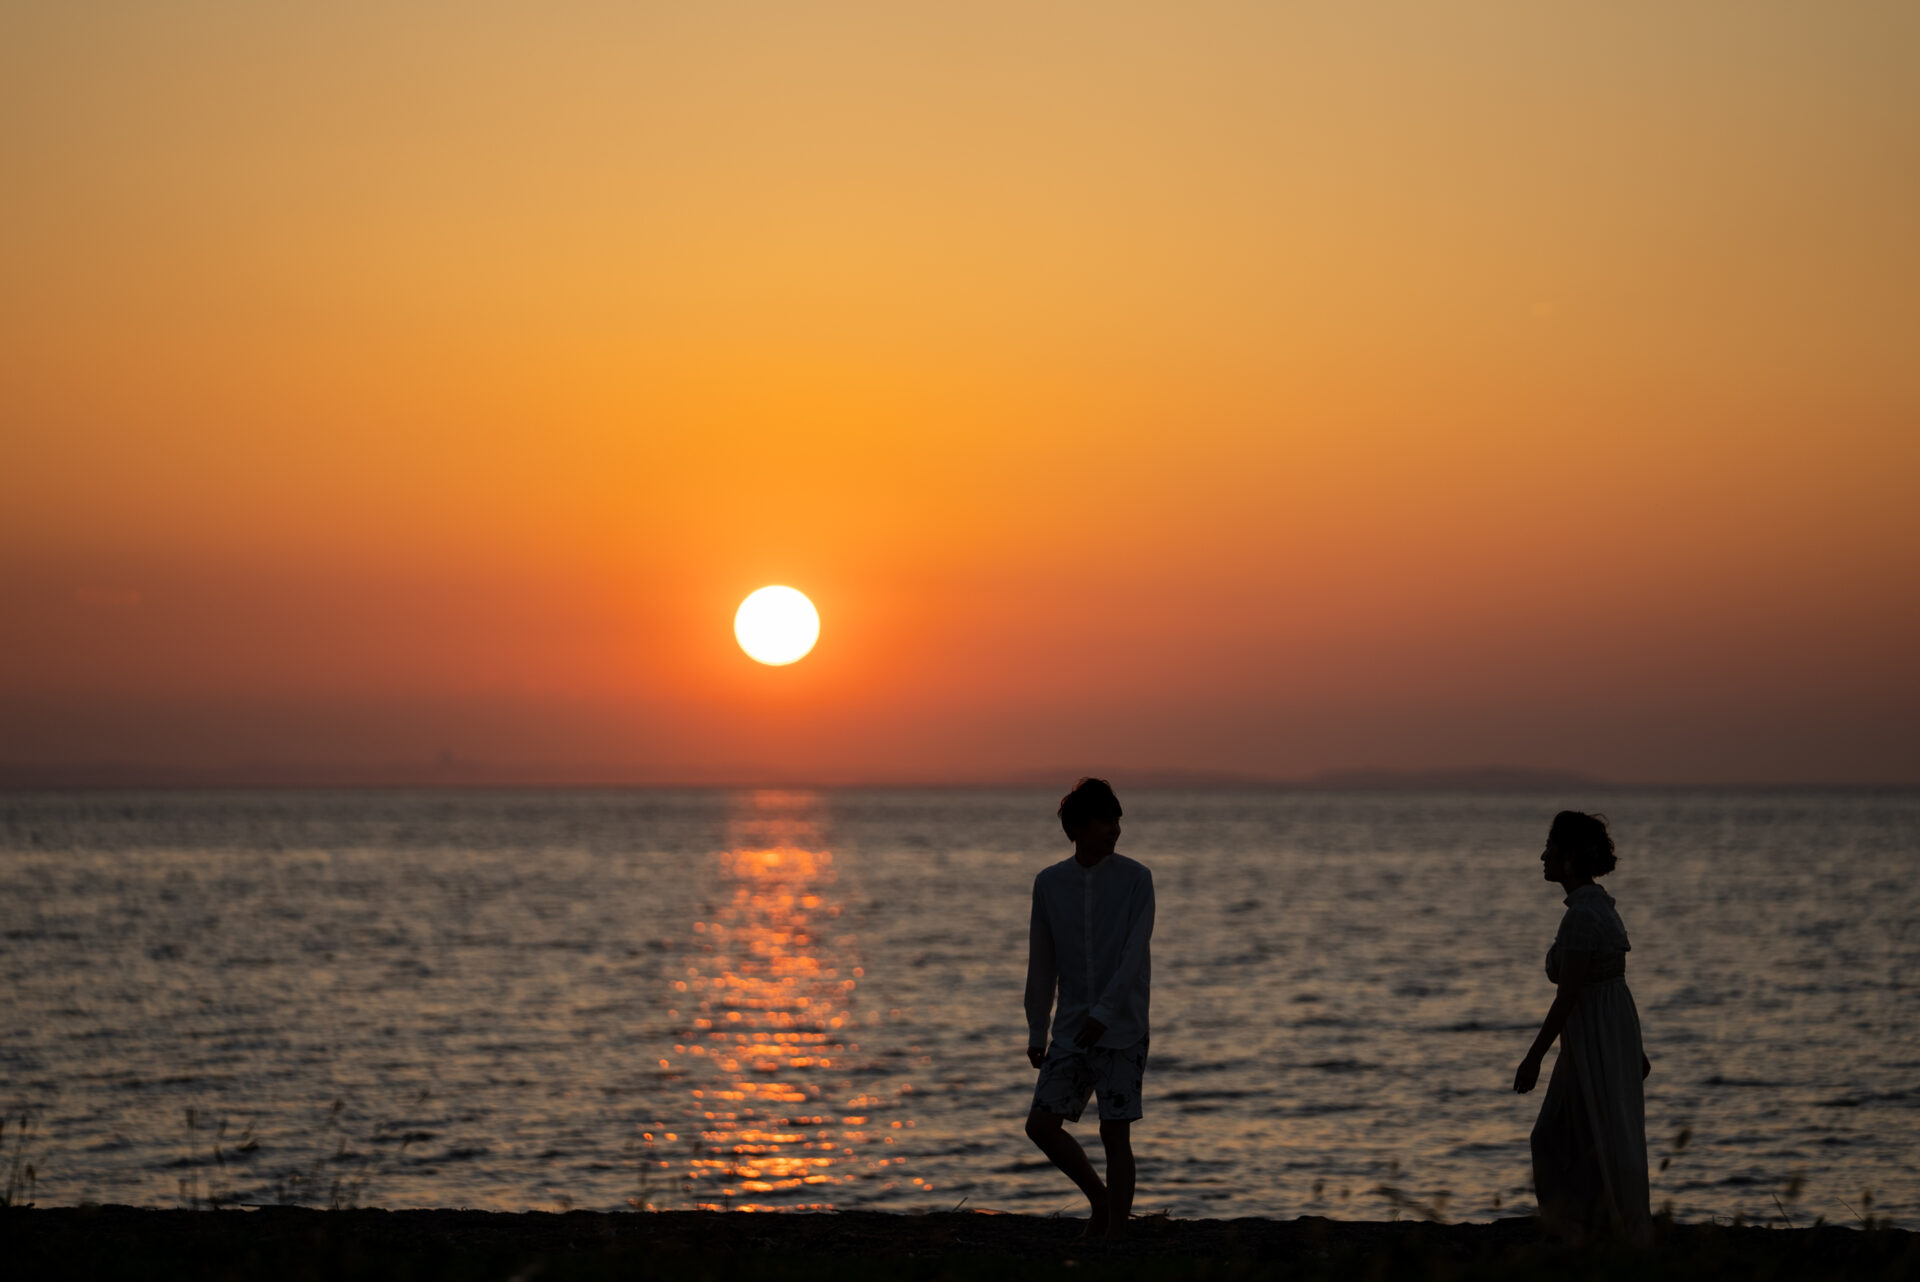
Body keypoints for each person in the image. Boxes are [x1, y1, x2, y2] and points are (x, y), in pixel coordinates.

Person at [1023, 777, 1156, 1240]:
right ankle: (1101, 1202)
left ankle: (1116, 1233)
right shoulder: (1049, 883)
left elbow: (1133, 954)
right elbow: (1043, 962)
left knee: (1114, 1135)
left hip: (1123, 1029)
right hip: (1071, 1031)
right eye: (1105, 821)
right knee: (1041, 1125)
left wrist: (1105, 1012)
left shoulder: (1137, 879)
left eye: (1118, 820)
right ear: (1077, 827)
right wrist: (1037, 1030)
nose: (1115, 829)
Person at [1513, 810, 1652, 1244]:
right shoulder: (1602, 907)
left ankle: (1578, 1234)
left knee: (1554, 1137)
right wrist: (1635, 1048)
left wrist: (1533, 1058)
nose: (1542, 857)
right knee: (1591, 1133)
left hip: (1594, 1038)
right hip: (1606, 1034)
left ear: (1569, 857)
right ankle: (1594, 1228)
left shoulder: (1582, 917)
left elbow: (1569, 995)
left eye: (1550, 849)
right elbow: (1612, 984)